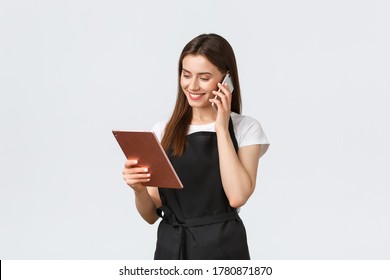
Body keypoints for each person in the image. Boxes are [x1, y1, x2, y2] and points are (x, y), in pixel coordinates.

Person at [122, 33, 270, 260]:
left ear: (226, 79)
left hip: (222, 250)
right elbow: (151, 214)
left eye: (204, 77)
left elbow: (237, 196)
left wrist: (221, 128)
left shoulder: (245, 129)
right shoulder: (163, 131)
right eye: (186, 74)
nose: (192, 85)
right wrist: (138, 189)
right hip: (171, 249)